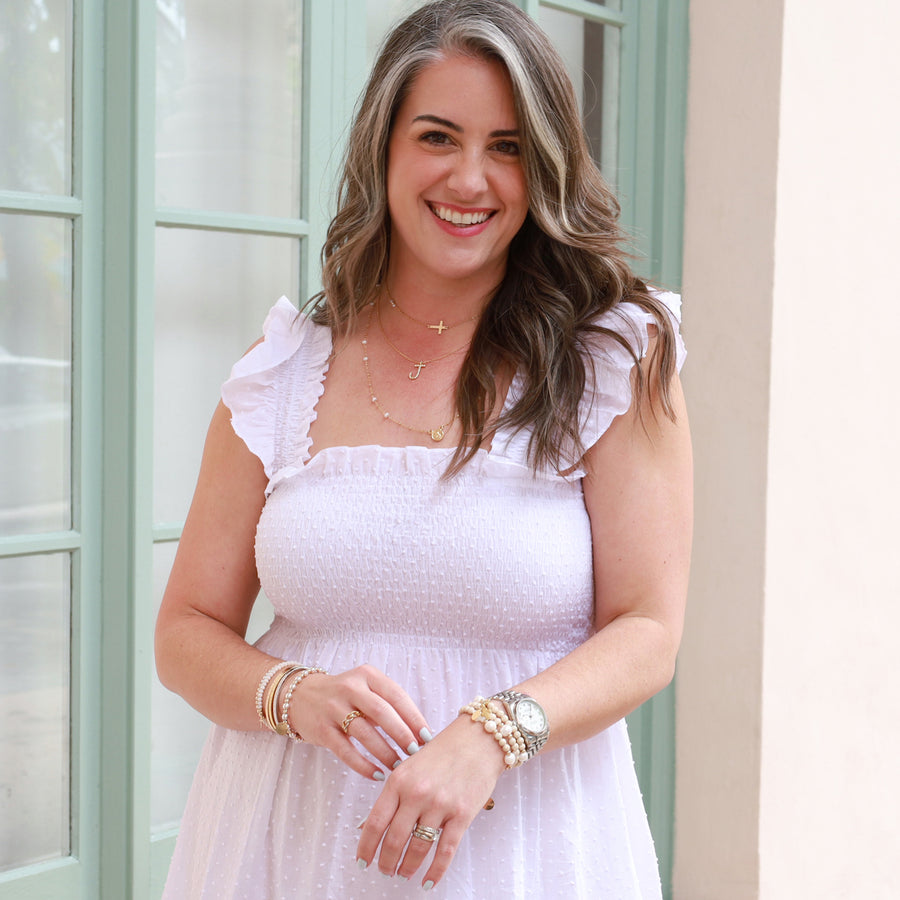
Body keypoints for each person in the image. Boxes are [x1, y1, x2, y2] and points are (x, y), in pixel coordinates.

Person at [155, 0, 692, 896]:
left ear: (543, 166)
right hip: (289, 848)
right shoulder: (283, 371)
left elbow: (647, 632)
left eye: (508, 147)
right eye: (438, 136)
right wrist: (293, 694)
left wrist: (494, 732)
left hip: (525, 853)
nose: (470, 179)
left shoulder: (612, 362)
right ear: (384, 149)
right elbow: (185, 633)